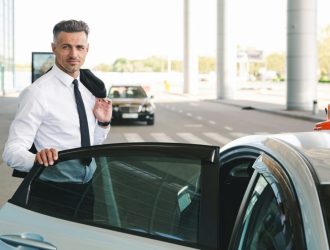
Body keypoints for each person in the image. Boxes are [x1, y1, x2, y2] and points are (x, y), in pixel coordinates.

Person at [2, 19, 112, 178]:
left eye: (79, 47)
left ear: (87, 49)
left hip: (88, 185)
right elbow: (12, 151)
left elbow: (92, 146)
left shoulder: (89, 90)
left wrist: (103, 123)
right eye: (66, 47)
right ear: (54, 48)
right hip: (52, 188)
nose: (74, 54)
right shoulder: (37, 93)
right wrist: (36, 159)